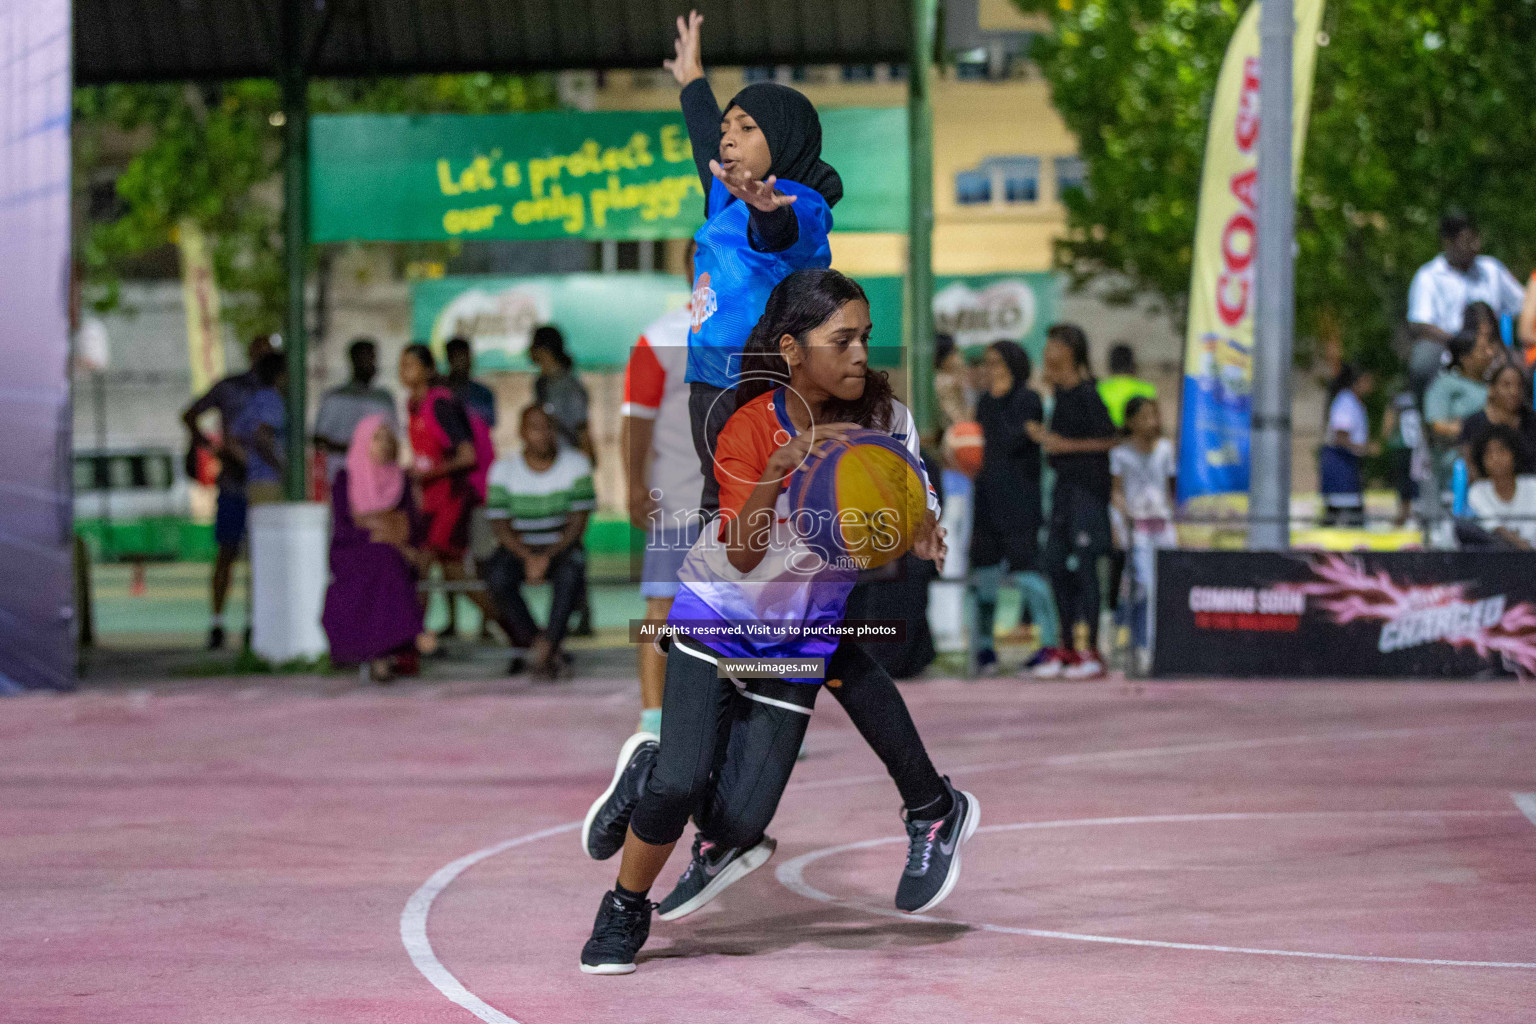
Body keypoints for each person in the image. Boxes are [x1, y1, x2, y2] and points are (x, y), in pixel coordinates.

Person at [577, 269, 976, 975]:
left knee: (736, 826)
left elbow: (915, 502)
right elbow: (740, 550)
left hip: (799, 636)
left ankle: (652, 780)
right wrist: (777, 471)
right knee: (679, 782)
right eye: (841, 339)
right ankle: (623, 909)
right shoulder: (752, 426)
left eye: (865, 337)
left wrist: (922, 531)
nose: (860, 354)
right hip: (716, 614)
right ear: (792, 349)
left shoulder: (889, 423)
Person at [667, 9, 839, 516]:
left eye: (746, 127)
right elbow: (705, 144)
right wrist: (694, 81)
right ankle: (715, 589)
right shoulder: (726, 197)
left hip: (764, 384)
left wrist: (768, 214)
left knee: (765, 508)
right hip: (710, 380)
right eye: (728, 128)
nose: (727, 137)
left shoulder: (800, 204)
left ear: (782, 138)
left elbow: (780, 236)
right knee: (718, 503)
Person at [621, 248, 703, 735]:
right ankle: (653, 720)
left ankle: (754, 720)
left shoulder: (753, 329)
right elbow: (636, 419)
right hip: (676, 498)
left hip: (744, 501)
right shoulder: (660, 337)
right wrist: (633, 484)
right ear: (689, 266)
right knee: (662, 609)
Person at [1026, 323, 1118, 680]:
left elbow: (1111, 439)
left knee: (1086, 567)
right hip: (1063, 491)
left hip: (1088, 493)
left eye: (1055, 344)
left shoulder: (1086, 393)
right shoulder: (1059, 395)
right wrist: (1047, 439)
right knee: (1053, 563)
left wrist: (1063, 444)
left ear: (1071, 349)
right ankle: (1065, 646)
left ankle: (1092, 651)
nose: (1047, 350)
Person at [483, 406, 595, 680]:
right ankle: (544, 646)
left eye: (548, 427)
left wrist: (546, 556)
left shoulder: (576, 464)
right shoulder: (502, 470)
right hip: (518, 548)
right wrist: (528, 556)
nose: (543, 434)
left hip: (562, 548)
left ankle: (544, 649)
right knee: (496, 576)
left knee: (571, 573)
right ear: (521, 432)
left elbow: (577, 524)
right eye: (534, 427)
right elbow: (500, 526)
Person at [181, 334, 273, 649]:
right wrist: (213, 448)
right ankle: (217, 622)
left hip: (265, 481)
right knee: (227, 552)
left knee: (263, 555)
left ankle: (259, 621)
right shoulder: (230, 387)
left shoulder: (277, 391)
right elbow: (190, 414)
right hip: (235, 481)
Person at [398, 344, 494, 640]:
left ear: (428, 369)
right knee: (439, 572)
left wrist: (426, 474)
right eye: (402, 365)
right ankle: (414, 638)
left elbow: (466, 456)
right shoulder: (414, 404)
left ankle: (517, 628)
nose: (404, 371)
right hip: (430, 500)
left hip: (450, 499)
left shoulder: (440, 404)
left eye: (411, 364)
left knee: (437, 569)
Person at [321, 415, 427, 682]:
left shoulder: (400, 480)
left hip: (391, 550)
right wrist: (382, 528)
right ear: (363, 442)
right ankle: (407, 637)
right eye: (377, 438)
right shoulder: (345, 480)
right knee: (383, 561)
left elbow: (407, 526)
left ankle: (381, 655)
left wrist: (374, 525)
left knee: (387, 560)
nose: (385, 443)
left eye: (388, 437)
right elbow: (346, 529)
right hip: (352, 551)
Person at [968, 340, 1043, 675]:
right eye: (987, 362)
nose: (991, 369)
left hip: (1020, 502)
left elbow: (1014, 439)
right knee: (983, 575)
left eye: (996, 362)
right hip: (986, 501)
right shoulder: (984, 402)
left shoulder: (1029, 399)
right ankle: (985, 647)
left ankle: (1044, 645)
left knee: (1027, 574)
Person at [1406, 211, 1524, 390]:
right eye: (1467, 240)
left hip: (1494, 348)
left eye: (1476, 239)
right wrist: (1462, 344)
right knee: (1423, 359)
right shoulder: (1428, 276)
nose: (1475, 246)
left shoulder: (1490, 269)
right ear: (1448, 242)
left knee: (1524, 362)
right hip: (1448, 349)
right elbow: (1420, 323)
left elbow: (1523, 304)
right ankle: (1429, 412)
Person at [528, 324, 594, 637]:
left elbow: (581, 432)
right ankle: (570, 612)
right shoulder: (540, 384)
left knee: (572, 540)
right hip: (547, 473)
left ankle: (582, 611)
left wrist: (587, 462)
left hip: (569, 472)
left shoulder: (569, 387)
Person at [1110, 396, 1177, 665]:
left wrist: (1177, 523)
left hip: (1162, 525)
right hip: (1137, 528)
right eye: (1145, 416)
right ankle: (1143, 644)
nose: (1152, 421)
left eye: (1154, 415)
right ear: (1131, 422)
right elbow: (1117, 492)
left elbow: (1171, 489)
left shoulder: (1165, 450)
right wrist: (1119, 525)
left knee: (1165, 584)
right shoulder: (1120, 454)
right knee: (1143, 586)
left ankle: (1157, 639)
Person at [1424, 329, 1499, 497]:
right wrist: (1478, 432)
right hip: (1455, 470)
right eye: (1482, 350)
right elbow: (1437, 425)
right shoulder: (1446, 384)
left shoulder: (1495, 385)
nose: (1490, 354)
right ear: (1465, 359)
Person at [313, 338, 398, 484]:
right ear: (353, 361)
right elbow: (320, 439)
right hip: (342, 476)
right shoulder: (335, 397)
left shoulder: (384, 398)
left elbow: (393, 437)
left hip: (376, 479)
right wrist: (357, 449)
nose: (371, 364)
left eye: (373, 358)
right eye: (366, 358)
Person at [1319, 365, 1378, 527]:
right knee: (1343, 513)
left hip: (1348, 465)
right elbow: (1340, 436)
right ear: (1357, 382)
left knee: (1344, 512)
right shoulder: (1346, 401)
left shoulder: (1355, 402)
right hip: (1340, 464)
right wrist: (1364, 448)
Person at [227, 352, 287, 507]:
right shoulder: (272, 400)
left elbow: (231, 440)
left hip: (255, 481)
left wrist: (252, 463)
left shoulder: (254, 399)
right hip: (272, 483)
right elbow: (262, 435)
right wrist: (281, 468)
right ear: (281, 375)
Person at [1459, 362, 1536, 480]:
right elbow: (1470, 465)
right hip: (1486, 491)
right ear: (1492, 389)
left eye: (1519, 386)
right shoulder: (1474, 423)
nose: (1514, 392)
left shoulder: (1532, 420)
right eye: (1506, 385)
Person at [1466, 425, 1536, 550]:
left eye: (1501, 450)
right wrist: (1526, 549)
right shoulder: (1477, 491)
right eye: (1489, 453)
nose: (1496, 458)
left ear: (1514, 454)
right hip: (1499, 559)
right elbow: (1495, 529)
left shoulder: (1532, 485)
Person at [1380, 384, 1427, 527]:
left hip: (1405, 447)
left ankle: (1406, 515)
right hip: (1413, 447)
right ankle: (1409, 516)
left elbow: (1388, 425)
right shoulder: (1419, 395)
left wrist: (1386, 436)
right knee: (1412, 483)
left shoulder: (1398, 398)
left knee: (1406, 484)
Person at [1097, 342, 1157, 429]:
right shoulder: (1148, 389)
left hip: (1107, 436)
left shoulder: (1099, 389)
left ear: (1111, 364)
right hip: (1136, 436)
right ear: (1133, 364)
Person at [443, 336, 497, 429]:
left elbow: (491, 421)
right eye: (459, 358)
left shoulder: (483, 392)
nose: (465, 363)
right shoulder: (439, 392)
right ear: (449, 359)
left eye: (467, 357)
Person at [933, 333, 971, 434]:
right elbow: (957, 420)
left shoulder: (953, 378)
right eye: (954, 352)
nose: (959, 357)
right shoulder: (944, 381)